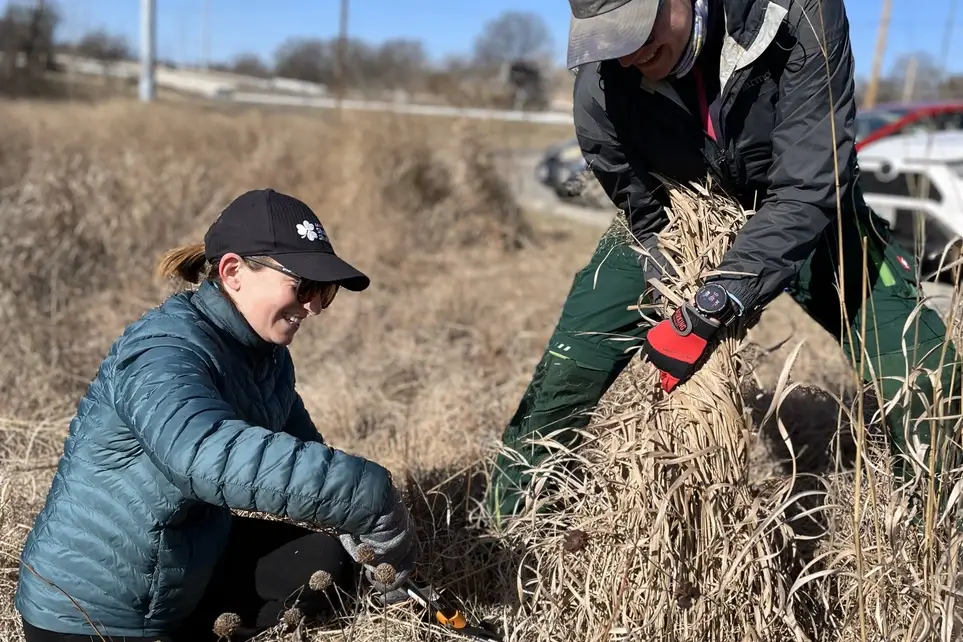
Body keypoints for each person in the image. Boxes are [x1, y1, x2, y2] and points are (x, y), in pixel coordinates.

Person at [486, 0, 962, 519]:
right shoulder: (600, 76)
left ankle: (930, 526)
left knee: (925, 372)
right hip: (681, 207)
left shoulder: (797, 10)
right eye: (607, 38)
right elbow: (628, 184)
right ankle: (509, 528)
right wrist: (654, 249)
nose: (626, 55)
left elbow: (810, 183)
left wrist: (713, 303)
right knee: (567, 369)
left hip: (806, 206)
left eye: (636, 28)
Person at [15, 188, 419, 641]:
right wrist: (370, 493)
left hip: (185, 568)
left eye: (324, 291)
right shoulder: (163, 351)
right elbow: (204, 456)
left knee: (325, 561)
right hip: (92, 614)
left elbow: (303, 456)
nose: (313, 307)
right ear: (233, 272)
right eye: (304, 286)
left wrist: (360, 532)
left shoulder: (264, 358)